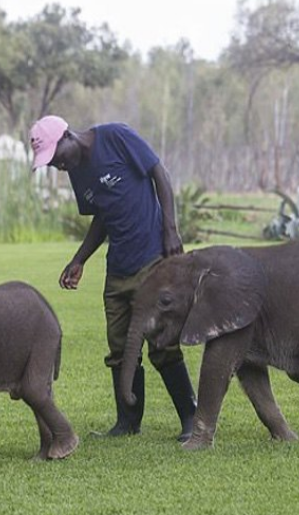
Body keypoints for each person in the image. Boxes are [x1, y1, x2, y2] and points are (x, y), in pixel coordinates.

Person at [29, 115, 196, 442]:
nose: (57, 166)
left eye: (56, 157)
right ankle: (128, 422)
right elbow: (102, 216)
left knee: (161, 341)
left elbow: (158, 174)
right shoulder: (76, 170)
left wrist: (171, 229)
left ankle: (191, 418)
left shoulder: (116, 137)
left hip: (152, 257)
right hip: (118, 267)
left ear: (67, 137)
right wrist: (79, 259)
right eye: (50, 163)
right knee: (120, 347)